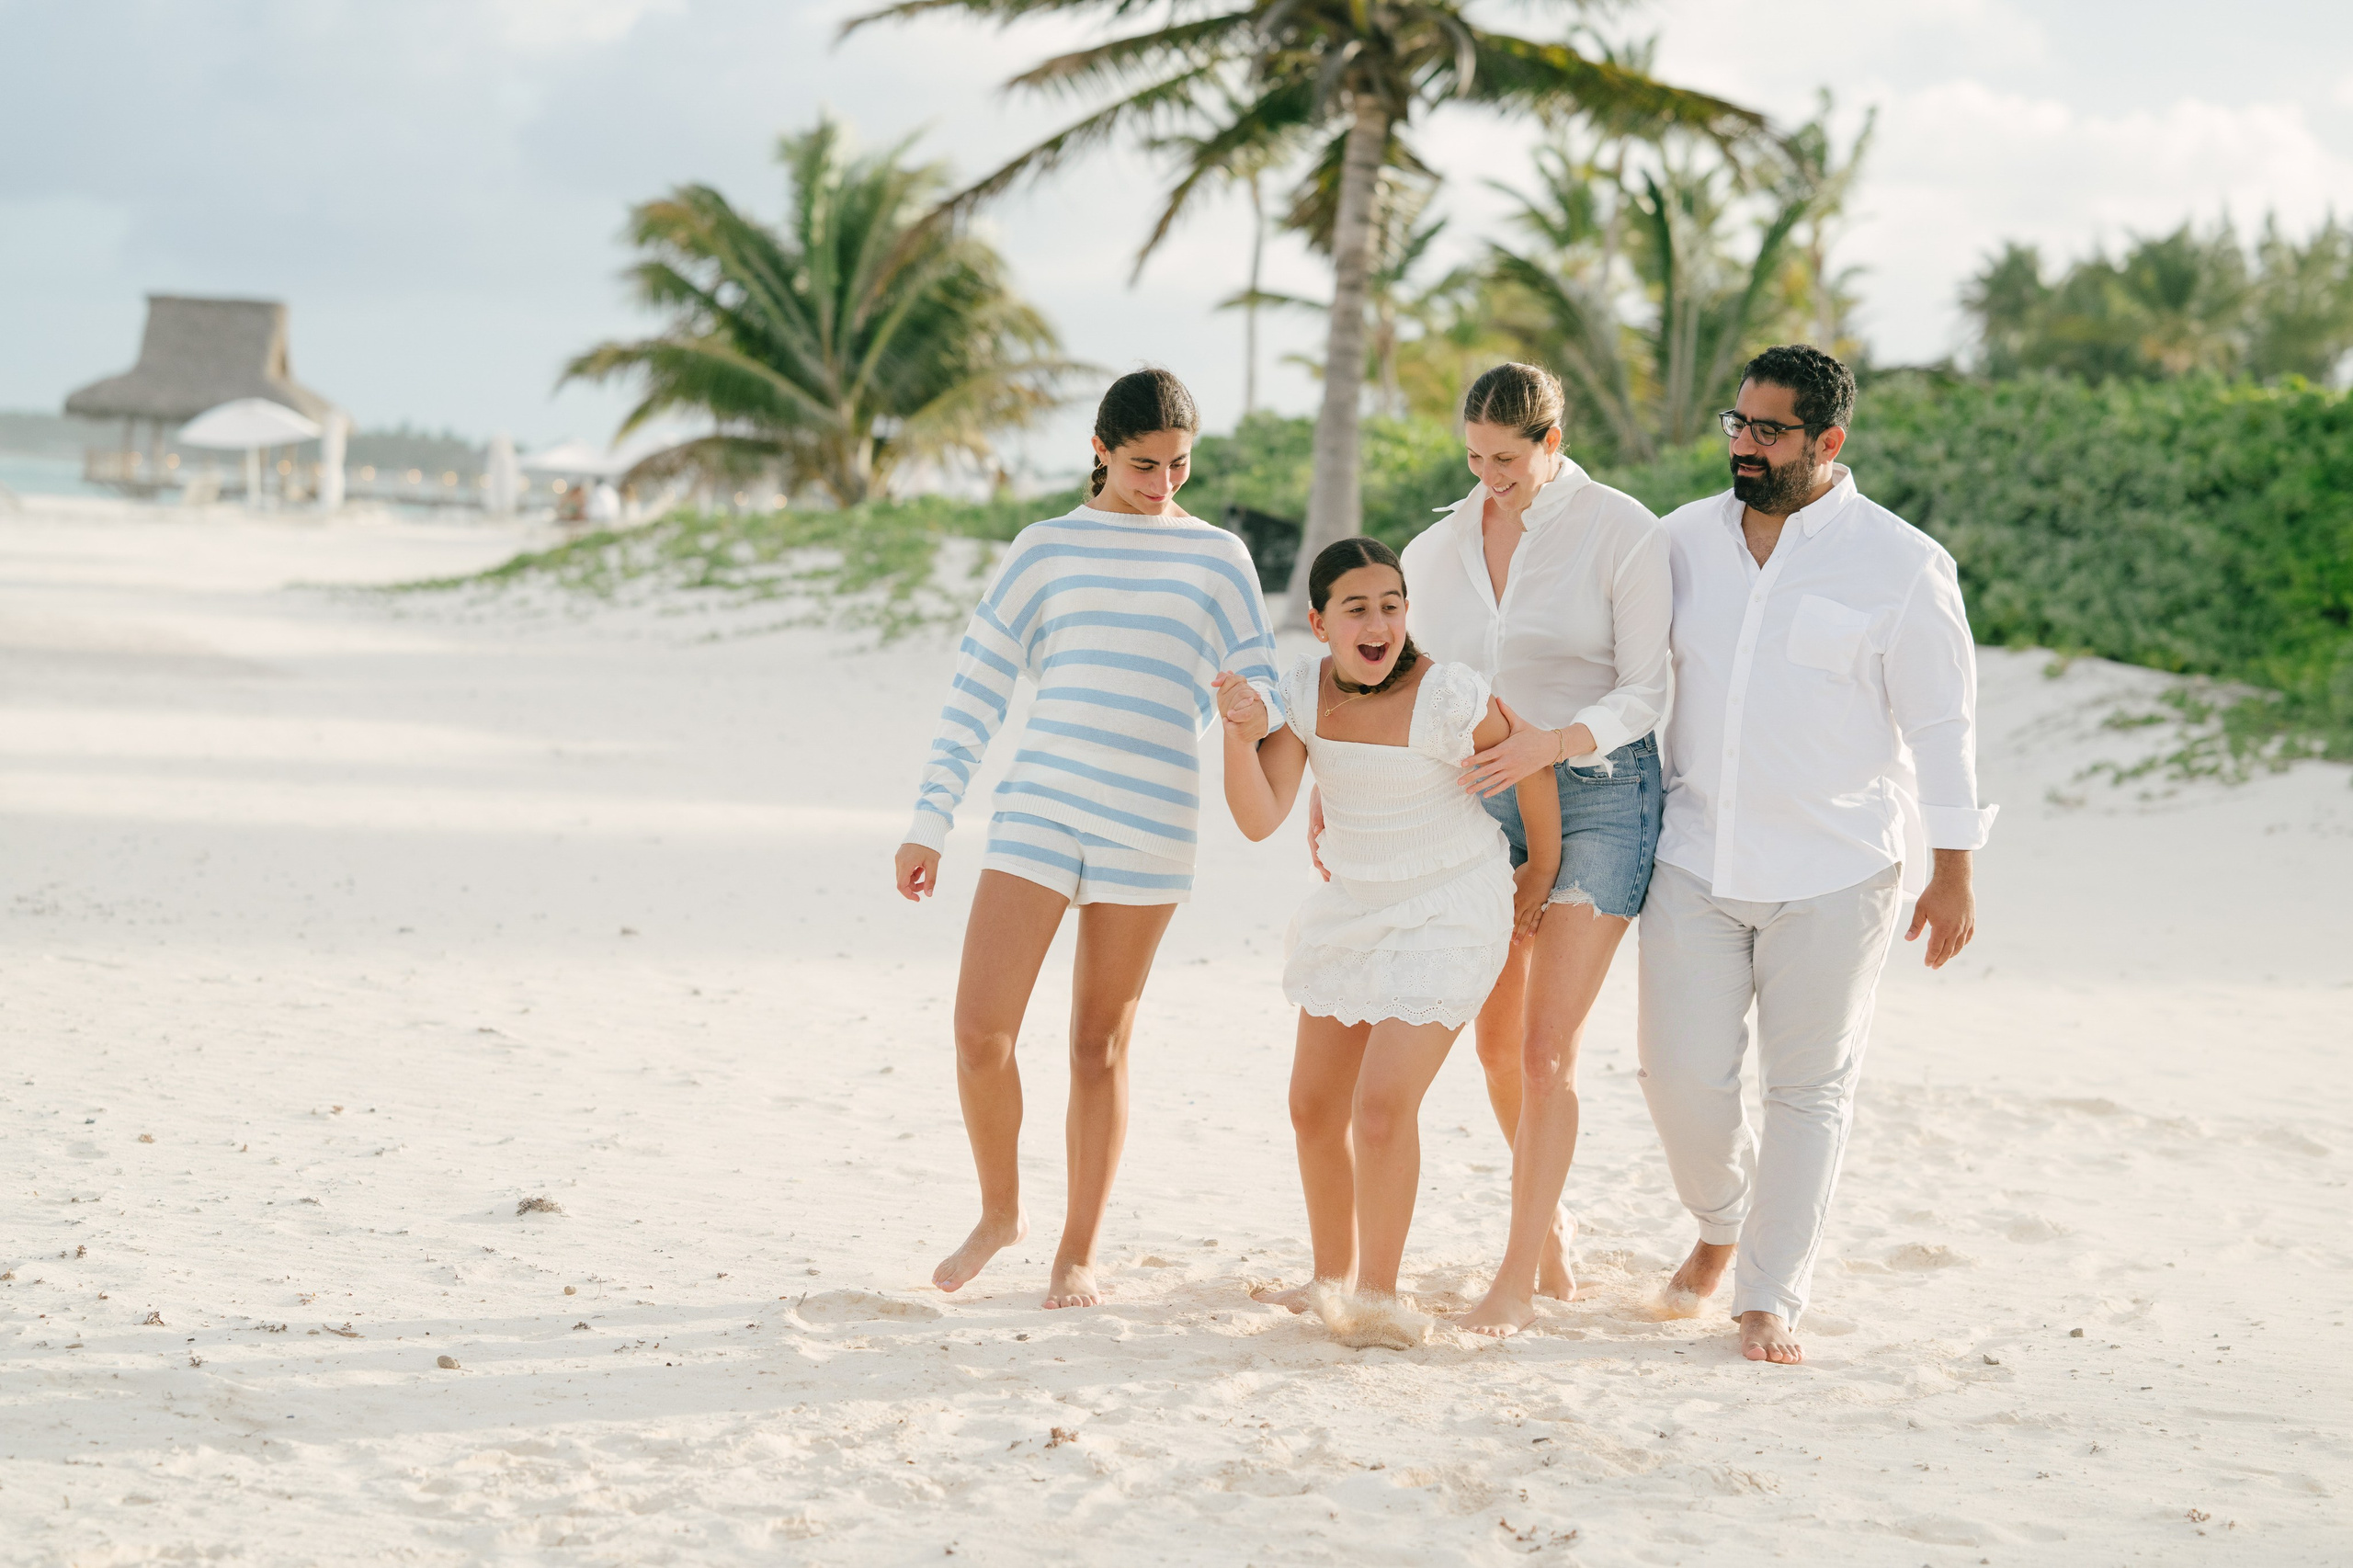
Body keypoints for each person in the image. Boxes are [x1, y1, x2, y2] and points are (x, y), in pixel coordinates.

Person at [892, 368, 1285, 1310]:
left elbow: (1263, 683)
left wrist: (1245, 704)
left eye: (1180, 466)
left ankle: (1077, 1252)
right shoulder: (1044, 547)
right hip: (1041, 802)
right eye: (1144, 465)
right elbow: (978, 686)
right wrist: (930, 819)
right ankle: (1000, 1212)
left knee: (1096, 1044)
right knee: (980, 1030)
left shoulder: (1219, 556)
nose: (1162, 485)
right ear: (1100, 450)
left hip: (1151, 815)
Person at [1642, 344, 1995, 1364]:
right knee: (1678, 1078)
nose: (1743, 446)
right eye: (1736, 424)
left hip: (1840, 869)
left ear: (1826, 441)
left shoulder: (1902, 562)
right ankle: (1718, 1222)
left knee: (1808, 1090)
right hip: (1695, 854)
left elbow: (1941, 726)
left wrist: (1954, 866)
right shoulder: (1676, 543)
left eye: (1767, 431)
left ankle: (1767, 1291)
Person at [1214, 539, 1558, 1345]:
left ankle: (1376, 1295)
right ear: (1319, 622)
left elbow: (1529, 768)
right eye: (1357, 608)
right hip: (1356, 904)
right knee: (1310, 1109)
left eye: (1392, 605)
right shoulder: (1305, 694)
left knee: (1379, 1108)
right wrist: (1235, 738)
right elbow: (1261, 817)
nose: (1379, 623)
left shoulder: (1448, 696)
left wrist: (1540, 867)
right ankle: (1329, 1276)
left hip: (1448, 903)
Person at [1389, 362, 1671, 1337]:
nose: (1487, 476)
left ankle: (1513, 1275)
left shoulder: (1621, 530)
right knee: (1497, 1042)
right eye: (1473, 456)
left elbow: (1647, 689)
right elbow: (1410, 685)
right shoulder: (1434, 548)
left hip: (1600, 799)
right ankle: (1547, 1233)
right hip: (1485, 806)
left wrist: (1551, 741)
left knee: (1548, 1047)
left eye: (1506, 459)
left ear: (1551, 442)